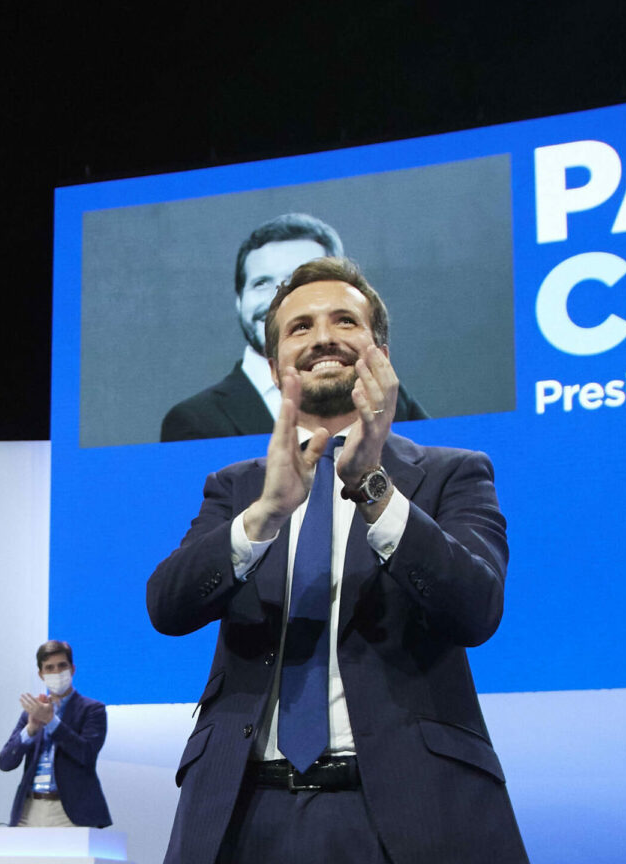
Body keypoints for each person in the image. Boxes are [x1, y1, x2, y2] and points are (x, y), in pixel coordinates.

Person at [148, 256, 526, 864]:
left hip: (411, 811)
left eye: (344, 321)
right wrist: (266, 514)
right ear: (274, 367)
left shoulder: (454, 472)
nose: (322, 336)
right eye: (299, 327)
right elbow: (167, 605)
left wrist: (374, 487)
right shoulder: (236, 488)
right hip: (245, 816)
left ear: (377, 351)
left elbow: (476, 608)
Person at [160, 213, 429, 442]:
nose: (276, 298)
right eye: (262, 283)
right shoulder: (193, 420)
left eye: (297, 281)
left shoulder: (395, 402)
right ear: (239, 299)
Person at [0, 640, 111, 828]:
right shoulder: (31, 712)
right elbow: (5, 762)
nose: (56, 672)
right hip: (29, 809)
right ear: (41, 674)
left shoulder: (92, 709)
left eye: (62, 666)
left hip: (70, 812)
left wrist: (52, 722)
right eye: (49, 668)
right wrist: (30, 730)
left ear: (72, 669)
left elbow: (86, 754)